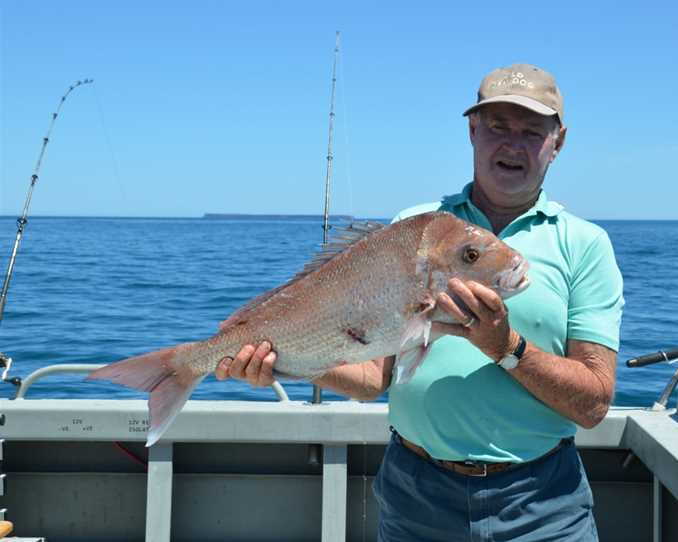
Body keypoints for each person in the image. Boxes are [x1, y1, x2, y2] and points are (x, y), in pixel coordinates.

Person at [216, 63, 624, 541]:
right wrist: (281, 361)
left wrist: (507, 347)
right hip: (416, 495)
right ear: (472, 131)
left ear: (558, 142)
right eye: (496, 127)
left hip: (542, 503)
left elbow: (594, 403)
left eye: (532, 130)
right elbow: (373, 378)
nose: (512, 144)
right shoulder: (412, 228)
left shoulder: (585, 245)